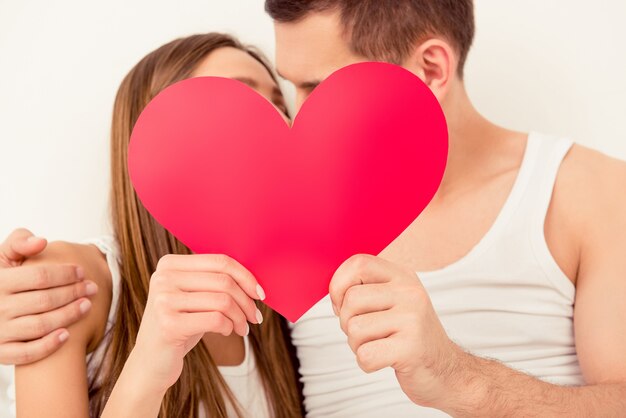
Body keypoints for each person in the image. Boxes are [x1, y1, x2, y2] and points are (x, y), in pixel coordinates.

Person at [2, 1, 626, 417]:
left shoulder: (585, 191)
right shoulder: (277, 238)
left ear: (431, 67)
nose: (295, 121)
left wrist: (459, 377)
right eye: (285, 88)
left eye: (312, 89)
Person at [1, 33, 303, 418]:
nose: (279, 120)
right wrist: (149, 365)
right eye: (241, 100)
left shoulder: (278, 308)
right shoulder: (70, 283)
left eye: (281, 106)